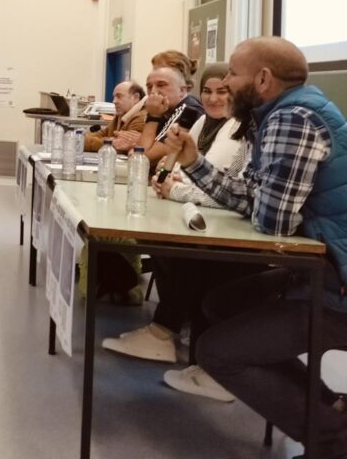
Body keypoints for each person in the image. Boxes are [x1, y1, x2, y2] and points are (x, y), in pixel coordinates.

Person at [156, 37, 347, 452]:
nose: (225, 82)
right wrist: (193, 163)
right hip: (321, 270)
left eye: (232, 73)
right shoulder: (282, 113)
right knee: (222, 303)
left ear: (262, 79)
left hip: (335, 286)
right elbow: (254, 199)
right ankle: (329, 407)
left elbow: (273, 221)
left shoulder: (292, 118)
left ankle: (333, 441)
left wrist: (255, 200)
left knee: (215, 352)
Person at [102, 63, 252, 399]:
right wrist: (165, 180)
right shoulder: (203, 122)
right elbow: (170, 162)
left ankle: (171, 336)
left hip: (231, 226)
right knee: (160, 244)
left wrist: (176, 188)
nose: (213, 98)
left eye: (222, 91)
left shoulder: (238, 128)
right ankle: (163, 332)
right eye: (208, 91)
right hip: (200, 212)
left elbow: (221, 185)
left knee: (188, 256)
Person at [135, 65, 197, 167]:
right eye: (149, 87)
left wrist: (153, 116)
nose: (153, 92)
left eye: (161, 85)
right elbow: (137, 154)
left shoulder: (187, 109)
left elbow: (141, 158)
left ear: (182, 91)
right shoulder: (164, 109)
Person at [84, 81, 147, 153]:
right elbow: (97, 136)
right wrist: (108, 141)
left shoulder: (140, 118)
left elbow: (119, 146)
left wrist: (88, 142)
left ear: (135, 98)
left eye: (119, 96)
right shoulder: (119, 117)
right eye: (114, 97)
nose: (114, 101)